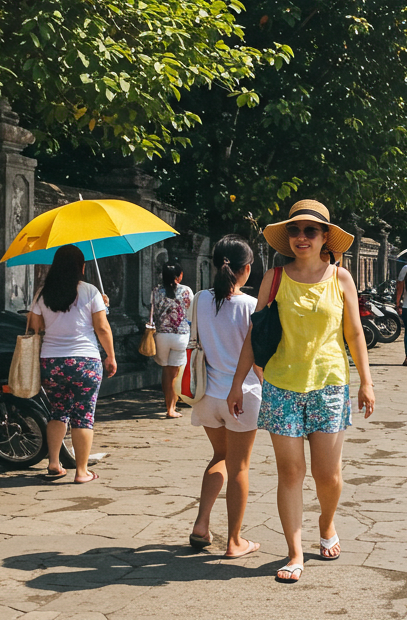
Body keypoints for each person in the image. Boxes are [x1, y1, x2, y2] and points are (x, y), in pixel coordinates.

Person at [228, 199, 375, 584]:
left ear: (326, 237)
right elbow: (254, 335)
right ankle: (294, 552)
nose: (301, 237)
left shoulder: (342, 278)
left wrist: (367, 381)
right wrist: (237, 384)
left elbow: (355, 333)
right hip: (280, 386)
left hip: (329, 384)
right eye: (294, 230)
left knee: (327, 475)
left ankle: (327, 525)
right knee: (290, 471)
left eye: (310, 231)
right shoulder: (274, 278)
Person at [189, 235, 261, 558]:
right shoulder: (250, 306)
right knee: (239, 467)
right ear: (246, 270)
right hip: (241, 397)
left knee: (220, 457)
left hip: (207, 396)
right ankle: (235, 541)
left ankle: (201, 525)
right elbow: (257, 358)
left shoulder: (199, 300)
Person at [29, 245, 116, 484]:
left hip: (52, 362)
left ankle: (54, 463)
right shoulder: (90, 291)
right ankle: (81, 471)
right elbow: (102, 328)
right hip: (85, 362)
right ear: (81, 267)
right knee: (83, 416)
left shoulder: (42, 293)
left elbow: (36, 327)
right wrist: (110, 355)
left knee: (57, 412)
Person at [150, 262, 193, 418]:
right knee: (175, 374)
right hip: (181, 335)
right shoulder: (186, 290)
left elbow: (152, 311)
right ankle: (171, 408)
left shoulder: (156, 291)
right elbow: (191, 312)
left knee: (166, 371)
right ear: (179, 276)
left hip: (161, 335)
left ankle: (168, 404)